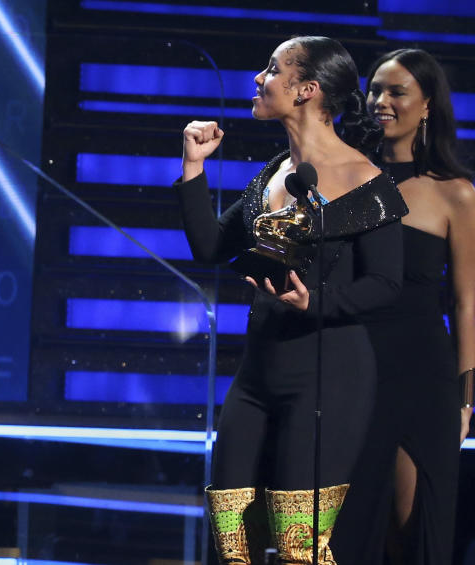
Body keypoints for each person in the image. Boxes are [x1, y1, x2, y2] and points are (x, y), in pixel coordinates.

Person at [175, 37, 408, 563]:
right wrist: (193, 168)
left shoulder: (367, 183)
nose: (258, 79)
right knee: (232, 538)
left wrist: (316, 303)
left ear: (307, 90)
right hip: (258, 375)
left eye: (272, 70)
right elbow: (210, 246)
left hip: (330, 381)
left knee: (299, 546)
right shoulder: (276, 172)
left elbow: (388, 285)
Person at [331, 48, 475, 565]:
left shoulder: (455, 195)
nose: (380, 101)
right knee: (351, 526)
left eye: (396, 91)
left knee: (410, 533)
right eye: (374, 90)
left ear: (428, 104)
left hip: (423, 375)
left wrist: (465, 400)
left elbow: (466, 302)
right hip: (353, 369)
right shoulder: (343, 179)